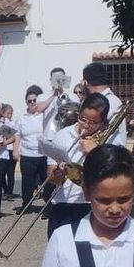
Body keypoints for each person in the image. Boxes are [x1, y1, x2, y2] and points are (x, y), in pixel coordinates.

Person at [42, 95, 109, 237]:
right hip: (63, 203)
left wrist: (96, 151)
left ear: (102, 122)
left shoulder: (110, 140)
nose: (86, 125)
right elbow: (51, 177)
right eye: (82, 119)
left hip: (93, 206)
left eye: (93, 122)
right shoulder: (62, 135)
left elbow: (112, 178)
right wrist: (57, 175)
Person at [15, 87, 49, 211]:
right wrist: (15, 150)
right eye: (30, 101)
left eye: (35, 100)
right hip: (27, 155)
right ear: (26, 103)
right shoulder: (21, 117)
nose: (32, 103)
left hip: (43, 154)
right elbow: (17, 134)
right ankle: (26, 205)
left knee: (47, 182)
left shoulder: (44, 115)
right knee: (27, 182)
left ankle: (49, 206)